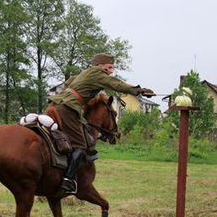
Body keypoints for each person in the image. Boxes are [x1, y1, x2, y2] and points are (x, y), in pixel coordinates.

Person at [47, 53, 155, 194]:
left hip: (54, 104)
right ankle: (68, 180)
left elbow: (68, 82)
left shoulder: (85, 73)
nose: (111, 70)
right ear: (100, 65)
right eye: (109, 67)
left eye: (112, 68)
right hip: (68, 108)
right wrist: (138, 91)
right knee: (81, 145)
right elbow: (116, 84)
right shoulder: (98, 74)